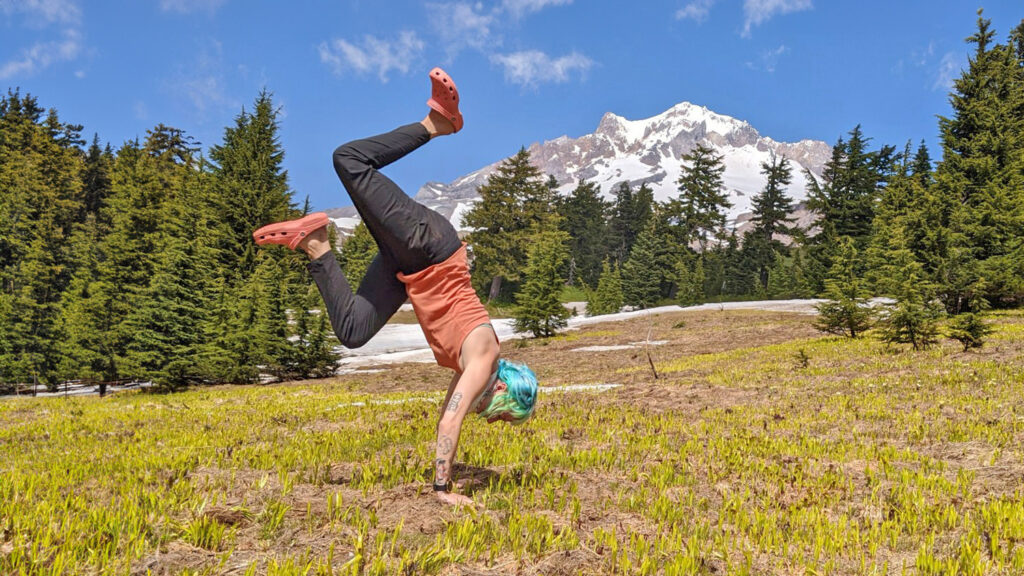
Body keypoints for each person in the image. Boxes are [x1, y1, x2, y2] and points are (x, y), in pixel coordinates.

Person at [253, 67, 538, 506]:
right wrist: (443, 491)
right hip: (430, 247)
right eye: (502, 417)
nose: (490, 419)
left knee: (352, 330)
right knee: (348, 160)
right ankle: (436, 124)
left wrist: (448, 466)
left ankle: (315, 243)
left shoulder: (473, 370)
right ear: (504, 391)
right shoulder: (484, 359)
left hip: (410, 272)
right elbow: (451, 424)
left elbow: (448, 416)